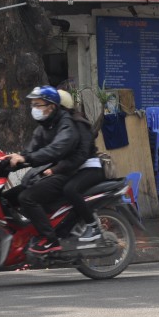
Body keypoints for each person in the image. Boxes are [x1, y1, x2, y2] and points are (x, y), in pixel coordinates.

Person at [5, 86, 80, 254]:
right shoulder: (44, 125)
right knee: (8, 197)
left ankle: (50, 240)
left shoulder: (66, 124)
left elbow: (56, 149)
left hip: (64, 172)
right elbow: (31, 150)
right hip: (48, 171)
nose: (35, 109)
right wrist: (14, 159)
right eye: (33, 105)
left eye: (38, 105)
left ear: (51, 106)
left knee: (26, 198)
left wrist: (27, 158)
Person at [56, 90, 105, 242]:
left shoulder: (79, 123)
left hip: (91, 169)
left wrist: (61, 166)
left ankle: (93, 226)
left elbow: (82, 153)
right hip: (77, 168)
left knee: (70, 190)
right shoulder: (64, 124)